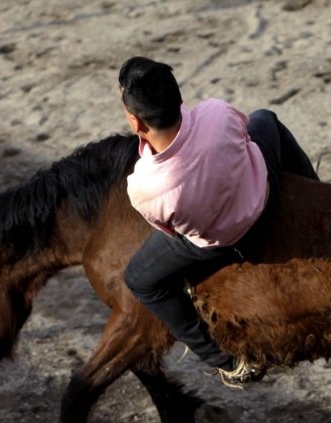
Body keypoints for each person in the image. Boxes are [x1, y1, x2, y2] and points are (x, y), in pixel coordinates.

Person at [119, 56, 318, 387]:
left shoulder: (143, 188)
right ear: (179, 99)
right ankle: (317, 194)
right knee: (266, 119)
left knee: (141, 280)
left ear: (137, 123)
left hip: (225, 242)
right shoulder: (216, 112)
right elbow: (246, 135)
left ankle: (223, 359)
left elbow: (171, 230)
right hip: (265, 192)